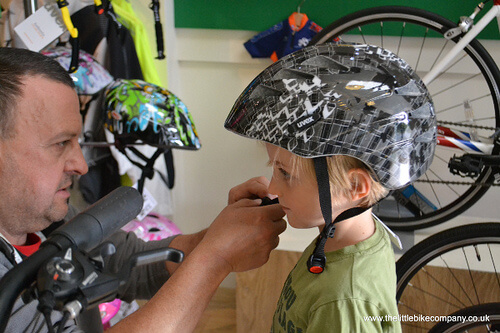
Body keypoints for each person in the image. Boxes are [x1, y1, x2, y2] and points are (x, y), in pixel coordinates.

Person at [0, 47, 287, 332]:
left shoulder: (43, 220)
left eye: (77, 142)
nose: (80, 165)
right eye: (60, 143)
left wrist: (215, 237)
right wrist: (216, 258)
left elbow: (122, 260)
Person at [225, 43, 437, 332]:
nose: (272, 187)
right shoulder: (345, 241)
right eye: (274, 169)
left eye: (286, 173)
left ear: (355, 188)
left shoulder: (343, 301)